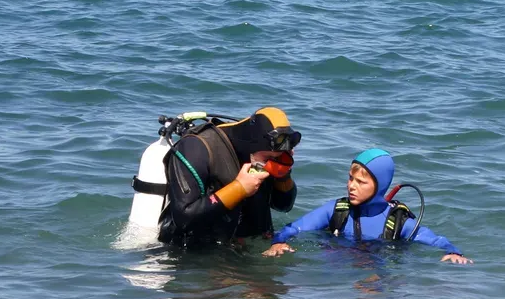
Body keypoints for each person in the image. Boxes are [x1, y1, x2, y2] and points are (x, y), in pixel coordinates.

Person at [262, 149, 472, 264]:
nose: (351, 186)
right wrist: (278, 242)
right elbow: (294, 228)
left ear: (380, 185)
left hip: (376, 273)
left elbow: (436, 241)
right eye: (350, 178)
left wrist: (455, 253)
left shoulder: (398, 222)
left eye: (361, 182)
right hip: (334, 273)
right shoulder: (337, 210)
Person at [157, 107, 301, 247]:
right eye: (269, 158)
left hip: (245, 247)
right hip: (197, 255)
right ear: (254, 143)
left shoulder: (267, 154)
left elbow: (284, 206)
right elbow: (184, 217)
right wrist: (239, 188)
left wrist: (283, 173)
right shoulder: (195, 148)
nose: (271, 162)